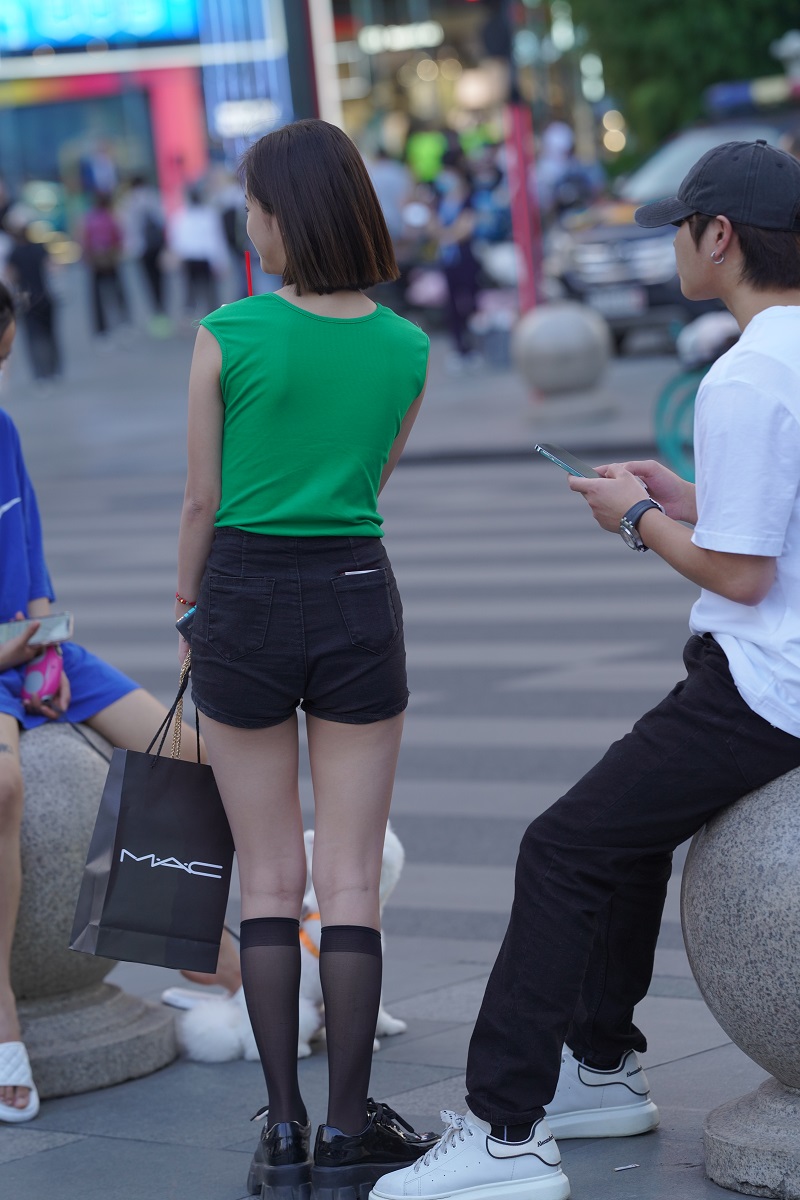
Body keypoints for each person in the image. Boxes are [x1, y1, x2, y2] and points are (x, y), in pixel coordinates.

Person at [371, 139, 800, 1200]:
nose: (673, 249)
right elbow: (768, 520)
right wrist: (685, 497)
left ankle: (503, 1130)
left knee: (561, 849)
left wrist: (637, 517)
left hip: (764, 684)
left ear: (719, 236)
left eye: (679, 230)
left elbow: (743, 575)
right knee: (620, 835)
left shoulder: (747, 370)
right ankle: (600, 1068)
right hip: (774, 671)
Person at [175, 118, 434, 1200]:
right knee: (351, 882)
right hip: (353, 590)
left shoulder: (225, 333)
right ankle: (344, 1135)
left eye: (253, 206)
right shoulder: (405, 347)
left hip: (239, 589)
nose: (247, 224)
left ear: (286, 216)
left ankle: (280, 1133)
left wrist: (187, 600)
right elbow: (371, 480)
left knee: (270, 879)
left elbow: (202, 498)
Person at [0, 281, 204, 1123]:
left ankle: (183, 945)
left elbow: (33, 574)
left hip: (33, 654)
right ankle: (3, 1025)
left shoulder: (4, 431)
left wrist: (42, 644)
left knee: (189, 751)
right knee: (5, 786)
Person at [432, 154, 481, 371]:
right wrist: (448, 234)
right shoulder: (440, 200)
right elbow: (432, 227)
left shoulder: (469, 198)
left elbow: (465, 230)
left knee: (469, 302)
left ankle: (473, 347)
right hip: (447, 261)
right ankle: (459, 348)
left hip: (466, 260)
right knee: (451, 305)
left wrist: (446, 234)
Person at [4, 223, 61, 381]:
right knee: (50, 333)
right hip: (44, 295)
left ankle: (41, 372)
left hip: (27, 300)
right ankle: (54, 369)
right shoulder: (39, 248)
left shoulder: (14, 253)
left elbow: (10, 276)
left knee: (33, 337)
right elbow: (53, 267)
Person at [168, 186, 228, 316]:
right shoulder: (208, 214)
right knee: (207, 292)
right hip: (202, 258)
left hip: (190, 258)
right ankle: (211, 316)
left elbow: (176, 240)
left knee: (191, 293)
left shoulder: (181, 215)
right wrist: (220, 262)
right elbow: (216, 240)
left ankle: (191, 316)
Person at [121, 175, 170, 336]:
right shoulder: (153, 196)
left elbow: (128, 227)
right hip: (157, 246)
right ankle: (163, 308)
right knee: (161, 279)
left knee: (148, 280)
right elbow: (163, 220)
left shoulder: (129, 201)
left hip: (141, 249)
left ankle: (156, 312)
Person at [81, 193, 130, 338]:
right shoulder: (111, 218)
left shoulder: (89, 218)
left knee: (96, 296)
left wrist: (87, 257)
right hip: (110, 260)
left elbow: (84, 240)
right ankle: (124, 320)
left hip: (95, 261)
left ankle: (101, 328)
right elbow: (119, 238)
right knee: (117, 291)